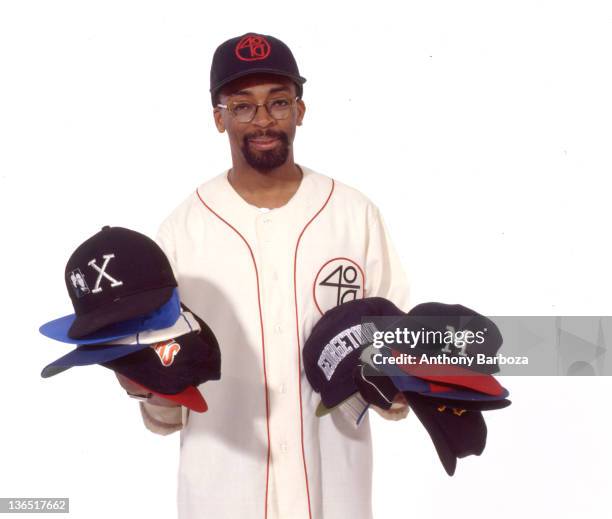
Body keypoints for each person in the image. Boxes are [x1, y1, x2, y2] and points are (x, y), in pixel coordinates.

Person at [117, 32, 411, 519]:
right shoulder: (182, 231)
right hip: (223, 491)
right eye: (243, 106)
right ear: (219, 117)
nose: (263, 120)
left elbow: (394, 348)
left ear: (300, 109)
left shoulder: (352, 215)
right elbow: (166, 398)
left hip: (333, 489)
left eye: (278, 102)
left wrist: (399, 388)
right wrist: (147, 387)